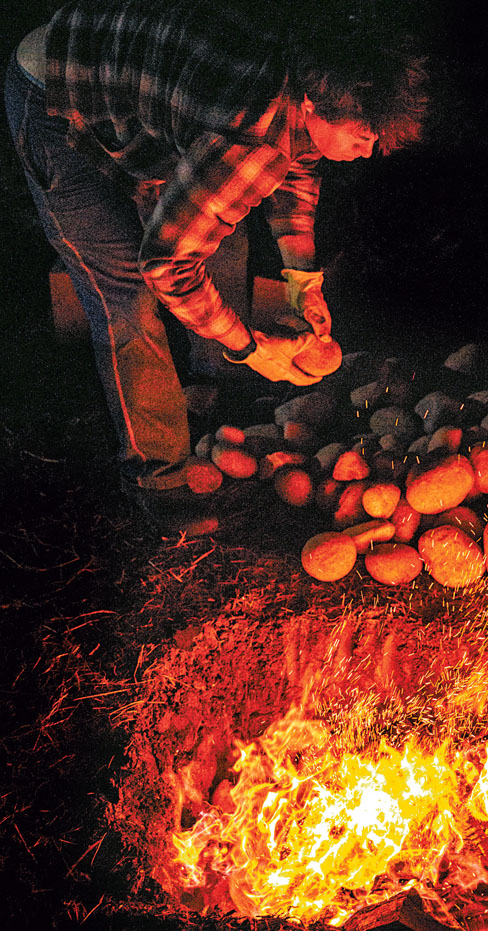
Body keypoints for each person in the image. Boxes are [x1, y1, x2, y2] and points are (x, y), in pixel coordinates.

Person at [4, 0, 427, 534]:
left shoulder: (315, 78)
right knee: (125, 291)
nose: (368, 153)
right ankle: (157, 477)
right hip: (59, 95)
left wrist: (302, 281)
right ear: (314, 105)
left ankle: (212, 403)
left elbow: (298, 167)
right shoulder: (249, 132)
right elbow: (168, 266)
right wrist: (253, 349)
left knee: (223, 241)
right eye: (362, 137)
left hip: (144, 98)